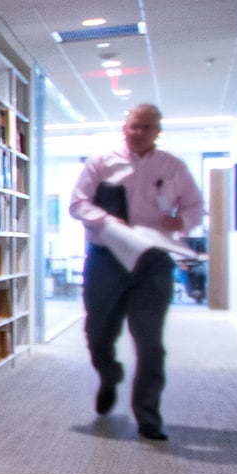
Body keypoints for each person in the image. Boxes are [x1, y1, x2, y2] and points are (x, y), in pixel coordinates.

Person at [69, 104, 204, 441]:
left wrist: (182, 220)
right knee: (98, 332)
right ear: (124, 127)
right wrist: (105, 219)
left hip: (152, 260)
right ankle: (110, 375)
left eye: (146, 127)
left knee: (150, 342)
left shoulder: (172, 167)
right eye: (134, 126)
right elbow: (77, 203)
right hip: (107, 256)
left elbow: (195, 207)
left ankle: (148, 415)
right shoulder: (102, 162)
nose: (138, 132)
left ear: (158, 131)